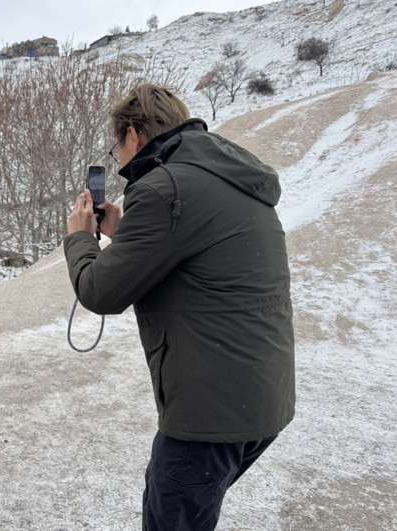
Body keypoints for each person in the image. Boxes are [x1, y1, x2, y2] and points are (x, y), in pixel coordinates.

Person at [63, 84, 295, 530]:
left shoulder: (163, 188)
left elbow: (99, 292)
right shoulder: (228, 175)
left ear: (133, 135)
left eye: (118, 151)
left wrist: (78, 236)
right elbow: (201, 258)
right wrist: (124, 231)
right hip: (261, 399)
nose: (121, 162)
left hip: (209, 414)